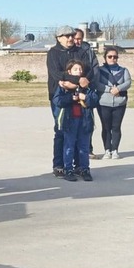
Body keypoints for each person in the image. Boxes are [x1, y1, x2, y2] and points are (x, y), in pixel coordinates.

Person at [53, 59, 100, 181]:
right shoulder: (64, 85)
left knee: (83, 147)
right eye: (75, 69)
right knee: (69, 146)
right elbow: (57, 101)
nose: (78, 72)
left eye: (80, 69)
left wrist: (86, 97)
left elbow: (95, 100)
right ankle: (68, 170)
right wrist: (70, 98)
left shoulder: (87, 85)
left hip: (84, 120)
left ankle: (84, 169)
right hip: (70, 120)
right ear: (69, 72)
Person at [46, 25, 81, 177]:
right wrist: (76, 80)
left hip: (78, 97)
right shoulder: (53, 53)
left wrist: (74, 83)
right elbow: (56, 74)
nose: (70, 38)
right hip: (59, 97)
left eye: (72, 35)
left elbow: (86, 72)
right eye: (67, 36)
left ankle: (77, 164)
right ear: (59, 38)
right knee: (61, 130)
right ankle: (59, 164)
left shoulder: (79, 52)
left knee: (79, 131)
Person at [95, 47, 132, 159]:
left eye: (115, 57)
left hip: (119, 103)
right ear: (105, 58)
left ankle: (115, 149)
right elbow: (96, 83)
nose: (112, 59)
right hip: (103, 103)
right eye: (110, 56)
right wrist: (109, 89)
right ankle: (107, 150)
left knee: (116, 127)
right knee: (106, 127)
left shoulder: (123, 70)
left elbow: (128, 82)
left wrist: (119, 88)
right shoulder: (99, 70)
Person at [74, 28, 100, 158]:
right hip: (72, 90)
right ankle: (73, 150)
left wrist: (88, 82)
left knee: (87, 122)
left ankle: (88, 149)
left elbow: (95, 69)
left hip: (87, 90)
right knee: (72, 123)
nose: (77, 41)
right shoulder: (68, 51)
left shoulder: (88, 51)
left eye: (79, 38)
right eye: (75, 38)